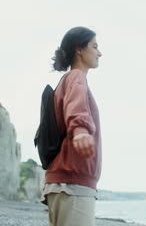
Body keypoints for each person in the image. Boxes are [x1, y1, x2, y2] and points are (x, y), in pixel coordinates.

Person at [41, 26, 103, 226]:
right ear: (79, 49)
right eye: (94, 46)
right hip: (72, 182)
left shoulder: (67, 80)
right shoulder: (76, 77)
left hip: (63, 183)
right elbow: (75, 109)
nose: (99, 52)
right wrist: (80, 130)